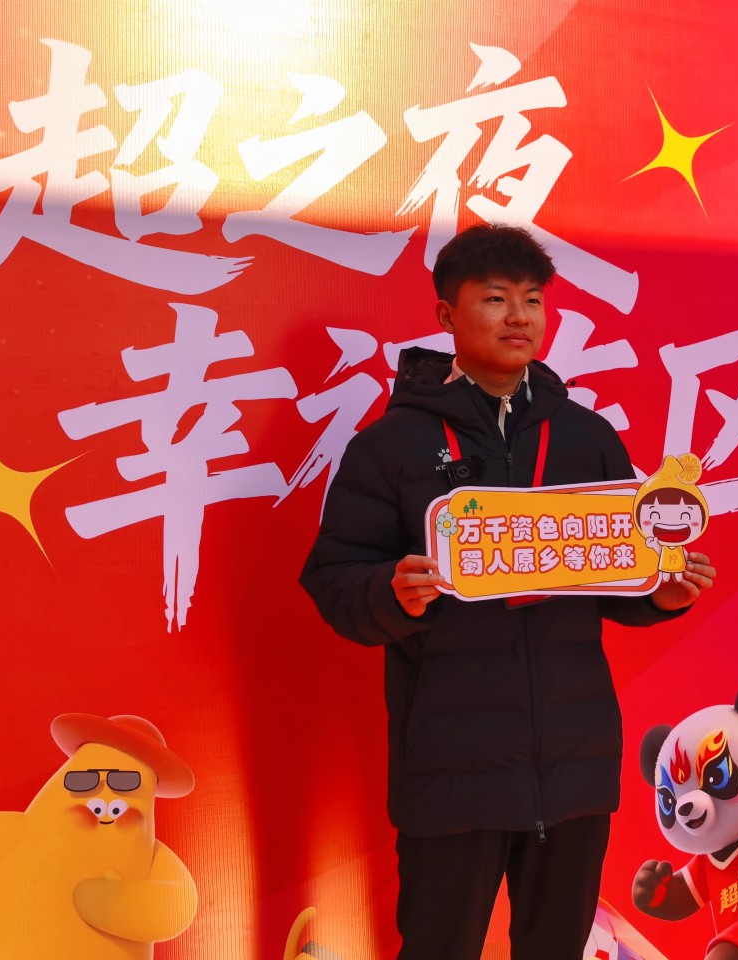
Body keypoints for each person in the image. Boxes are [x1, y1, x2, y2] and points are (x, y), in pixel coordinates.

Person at [300, 224, 716, 960]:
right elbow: (334, 579)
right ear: (446, 315)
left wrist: (661, 594)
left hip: (575, 765)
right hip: (451, 767)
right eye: (495, 299)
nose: (519, 316)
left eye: (532, 299)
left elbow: (614, 575)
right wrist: (392, 592)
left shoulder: (586, 438)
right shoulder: (390, 448)